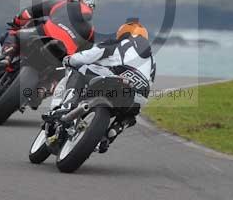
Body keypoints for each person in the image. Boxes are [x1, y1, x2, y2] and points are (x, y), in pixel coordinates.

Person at [52, 17, 156, 151]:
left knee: (78, 70)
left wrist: (69, 59)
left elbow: (89, 55)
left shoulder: (120, 43)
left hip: (116, 79)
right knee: (130, 115)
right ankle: (112, 132)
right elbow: (150, 83)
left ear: (123, 32)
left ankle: (66, 106)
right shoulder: (152, 59)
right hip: (138, 95)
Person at [0, 0, 96, 72]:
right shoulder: (92, 31)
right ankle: (47, 88)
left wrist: (16, 22)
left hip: (45, 34)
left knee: (14, 34)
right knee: (62, 73)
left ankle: (5, 59)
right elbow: (83, 56)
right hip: (63, 56)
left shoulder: (60, 4)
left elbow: (27, 13)